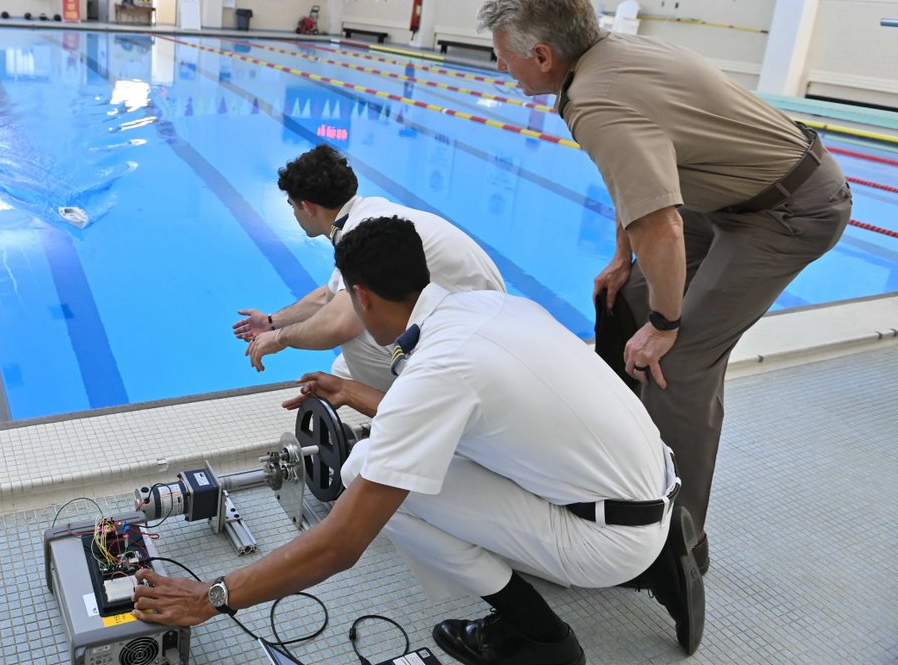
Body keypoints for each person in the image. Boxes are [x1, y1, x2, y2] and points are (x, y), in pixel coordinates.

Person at [134, 217, 704, 663]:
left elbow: (343, 541)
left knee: (366, 475)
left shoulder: (436, 369)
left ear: (363, 298)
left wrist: (210, 596)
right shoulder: (487, 305)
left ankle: (540, 639)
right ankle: (658, 563)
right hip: (652, 479)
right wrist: (354, 392)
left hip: (609, 535)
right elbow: (446, 414)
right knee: (428, 454)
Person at [477, 0, 852, 573]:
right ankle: (619, 460)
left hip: (788, 211)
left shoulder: (595, 101)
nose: (503, 70)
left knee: (674, 358)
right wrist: (623, 260)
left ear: (542, 55)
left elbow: (663, 224)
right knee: (623, 298)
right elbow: (644, 185)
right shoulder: (608, 57)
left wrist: (666, 323)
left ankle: (676, 543)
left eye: (504, 59)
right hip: (733, 196)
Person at [234, 144, 505, 391]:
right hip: (487, 334)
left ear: (307, 206)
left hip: (474, 353)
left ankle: (403, 414)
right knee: (343, 368)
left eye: (292, 206)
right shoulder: (367, 214)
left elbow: (339, 323)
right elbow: (328, 297)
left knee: (354, 336)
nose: (293, 214)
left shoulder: (360, 228)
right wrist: (271, 322)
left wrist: (280, 340)